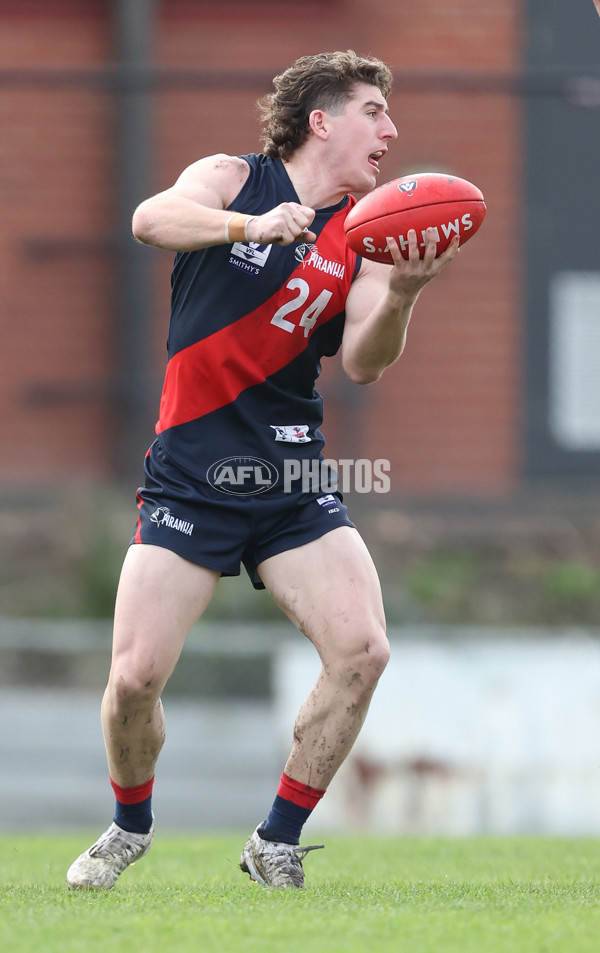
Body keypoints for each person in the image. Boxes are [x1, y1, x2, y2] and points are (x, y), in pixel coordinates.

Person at [66, 49, 458, 891]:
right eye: (372, 111)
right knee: (134, 678)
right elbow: (149, 219)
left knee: (362, 651)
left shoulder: (366, 237)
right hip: (190, 473)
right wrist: (254, 226)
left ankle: (275, 839)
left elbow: (363, 363)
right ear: (321, 120)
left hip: (288, 479)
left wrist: (403, 296)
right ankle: (130, 824)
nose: (390, 130)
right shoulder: (231, 178)